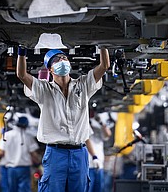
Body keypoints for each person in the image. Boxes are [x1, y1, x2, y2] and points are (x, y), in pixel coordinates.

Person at [17, 47, 110, 192]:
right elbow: (22, 74)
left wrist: (103, 46)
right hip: (55, 153)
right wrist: (21, 52)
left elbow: (104, 66)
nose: (61, 60)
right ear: (50, 70)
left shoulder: (83, 85)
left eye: (64, 58)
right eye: (56, 60)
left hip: (79, 152)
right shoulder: (44, 90)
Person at [0, 116, 41, 192]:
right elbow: (33, 154)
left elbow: (1, 153)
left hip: (11, 169)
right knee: (24, 189)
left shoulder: (6, 135)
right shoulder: (28, 137)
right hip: (24, 169)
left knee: (11, 189)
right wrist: (38, 165)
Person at [85, 114, 112, 192]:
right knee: (88, 189)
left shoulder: (99, 125)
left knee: (99, 189)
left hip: (99, 164)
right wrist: (94, 156)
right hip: (89, 165)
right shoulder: (85, 123)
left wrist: (101, 122)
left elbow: (108, 134)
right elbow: (86, 140)